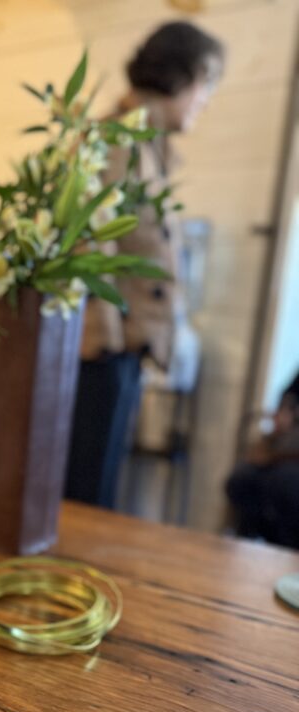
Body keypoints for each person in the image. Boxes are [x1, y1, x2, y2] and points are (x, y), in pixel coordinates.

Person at [65, 21, 225, 508]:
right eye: (206, 83)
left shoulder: (144, 145)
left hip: (122, 349)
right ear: (181, 75)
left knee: (98, 490)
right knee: (87, 497)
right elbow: (88, 245)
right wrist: (108, 344)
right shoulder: (115, 139)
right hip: (102, 351)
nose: (206, 99)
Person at [226, 370, 299, 549]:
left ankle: (287, 552)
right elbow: (289, 396)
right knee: (241, 479)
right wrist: (284, 414)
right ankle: (245, 546)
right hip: (286, 451)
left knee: (285, 482)